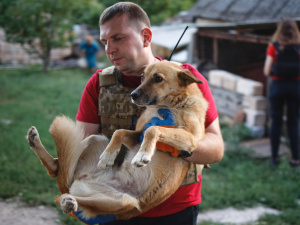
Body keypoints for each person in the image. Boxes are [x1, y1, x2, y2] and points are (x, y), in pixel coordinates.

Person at [75, 2, 224, 224]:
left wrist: (172, 142)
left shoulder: (185, 78)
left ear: (146, 37)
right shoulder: (98, 84)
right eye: (104, 42)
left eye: (118, 38)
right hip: (116, 207)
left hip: (175, 210)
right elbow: (82, 148)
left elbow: (216, 149)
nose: (109, 50)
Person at [263, 18, 300, 167]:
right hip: (295, 87)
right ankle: (296, 159)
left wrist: (277, 75)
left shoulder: (274, 47)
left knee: (276, 122)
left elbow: (266, 71)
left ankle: (274, 158)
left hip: (278, 86)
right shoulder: (299, 47)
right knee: (293, 123)